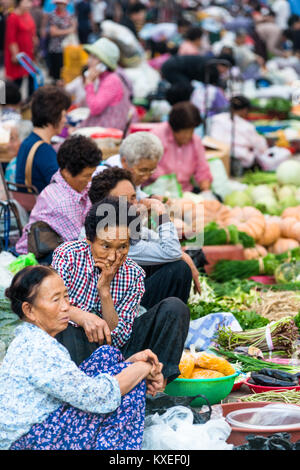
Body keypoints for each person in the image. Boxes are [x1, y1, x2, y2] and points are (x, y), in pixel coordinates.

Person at [0, 265, 164, 450]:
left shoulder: (31, 337)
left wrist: (133, 364)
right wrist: (142, 369)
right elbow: (99, 397)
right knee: (129, 387)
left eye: (66, 297)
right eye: (56, 300)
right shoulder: (39, 349)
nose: (66, 307)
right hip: (29, 442)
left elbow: (83, 388)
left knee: (107, 355)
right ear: (29, 310)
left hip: (38, 428)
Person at [52, 197, 190, 381]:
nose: (113, 256)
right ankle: (84, 387)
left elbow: (118, 339)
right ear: (89, 240)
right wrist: (84, 317)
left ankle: (156, 384)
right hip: (74, 346)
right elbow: (52, 307)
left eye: (122, 247)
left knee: (175, 308)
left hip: (117, 351)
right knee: (66, 326)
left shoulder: (133, 274)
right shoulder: (68, 255)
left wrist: (104, 290)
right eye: (105, 246)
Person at [86, 167, 198, 309]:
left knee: (172, 263)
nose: (134, 205)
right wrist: (161, 212)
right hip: (111, 309)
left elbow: (159, 242)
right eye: (124, 201)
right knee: (179, 269)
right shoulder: (111, 237)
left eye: (133, 197)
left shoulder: (126, 225)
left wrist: (183, 255)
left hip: (124, 296)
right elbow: (172, 251)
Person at [15, 134, 102, 263]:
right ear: (67, 172)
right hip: (38, 259)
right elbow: (82, 245)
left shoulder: (76, 185)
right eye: (87, 175)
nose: (90, 180)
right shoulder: (61, 202)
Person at [15, 85, 71, 193]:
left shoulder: (28, 142)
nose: (65, 120)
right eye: (64, 115)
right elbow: (62, 189)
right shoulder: (43, 150)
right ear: (54, 115)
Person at [148, 101, 213, 193]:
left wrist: (206, 190)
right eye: (183, 131)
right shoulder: (157, 136)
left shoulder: (195, 141)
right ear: (174, 127)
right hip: (158, 190)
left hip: (185, 190)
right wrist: (168, 182)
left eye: (191, 131)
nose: (187, 136)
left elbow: (202, 168)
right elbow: (149, 165)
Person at [79, 37, 132, 131]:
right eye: (90, 56)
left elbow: (95, 108)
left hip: (106, 133)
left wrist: (89, 84)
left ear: (104, 64)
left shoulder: (111, 80)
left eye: (94, 57)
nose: (89, 61)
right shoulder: (106, 78)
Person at [96, 131, 164, 200]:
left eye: (152, 170)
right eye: (143, 170)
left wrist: (150, 198)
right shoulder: (103, 180)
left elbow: (137, 194)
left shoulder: (130, 174)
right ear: (124, 161)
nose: (146, 177)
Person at [208, 95, 268, 170]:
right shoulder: (246, 126)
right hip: (240, 162)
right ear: (245, 110)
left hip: (216, 158)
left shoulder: (217, 119)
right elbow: (261, 146)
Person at [4, 0, 38, 98]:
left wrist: (34, 40)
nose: (29, 5)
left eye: (30, 2)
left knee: (32, 77)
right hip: (18, 55)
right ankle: (8, 103)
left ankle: (29, 102)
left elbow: (32, 30)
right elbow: (11, 38)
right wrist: (16, 55)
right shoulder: (13, 17)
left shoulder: (27, 14)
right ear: (19, 3)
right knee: (16, 81)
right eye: (26, 2)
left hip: (29, 54)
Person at [161, 53, 234, 88]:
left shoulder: (210, 61)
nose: (225, 72)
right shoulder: (211, 67)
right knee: (185, 88)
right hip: (172, 68)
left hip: (172, 64)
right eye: (226, 69)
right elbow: (214, 82)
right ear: (221, 65)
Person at [47, 0, 77, 83]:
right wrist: (68, 30)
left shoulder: (70, 15)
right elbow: (53, 32)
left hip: (68, 48)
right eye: (59, 3)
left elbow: (74, 29)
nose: (60, 5)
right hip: (56, 48)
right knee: (56, 74)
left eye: (62, 3)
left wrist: (64, 31)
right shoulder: (52, 15)